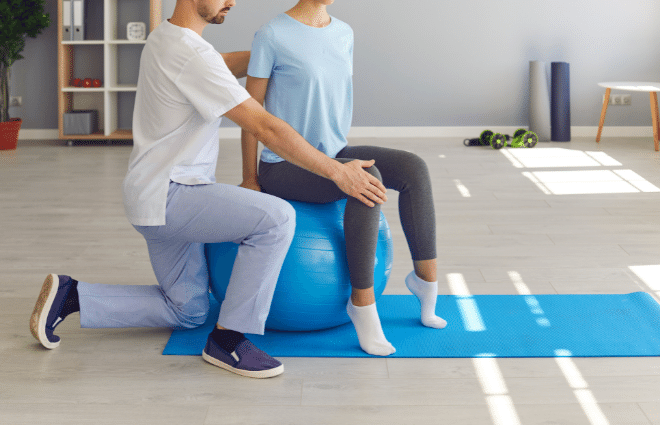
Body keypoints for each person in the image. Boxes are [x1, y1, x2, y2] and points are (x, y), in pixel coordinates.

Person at [29, 0, 387, 379]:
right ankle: (229, 340)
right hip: (174, 196)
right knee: (277, 218)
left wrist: (280, 52)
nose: (231, 1)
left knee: (188, 311)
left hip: (150, 196)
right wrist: (336, 171)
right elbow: (264, 127)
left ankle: (73, 295)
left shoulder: (168, 37)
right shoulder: (191, 53)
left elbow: (221, 64)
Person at [241, 0, 447, 357]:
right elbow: (250, 114)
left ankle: (425, 282)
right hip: (283, 166)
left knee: (414, 167)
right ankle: (362, 305)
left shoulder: (343, 33)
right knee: (366, 177)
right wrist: (250, 178)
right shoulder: (272, 34)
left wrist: (338, 160)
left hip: (333, 152)